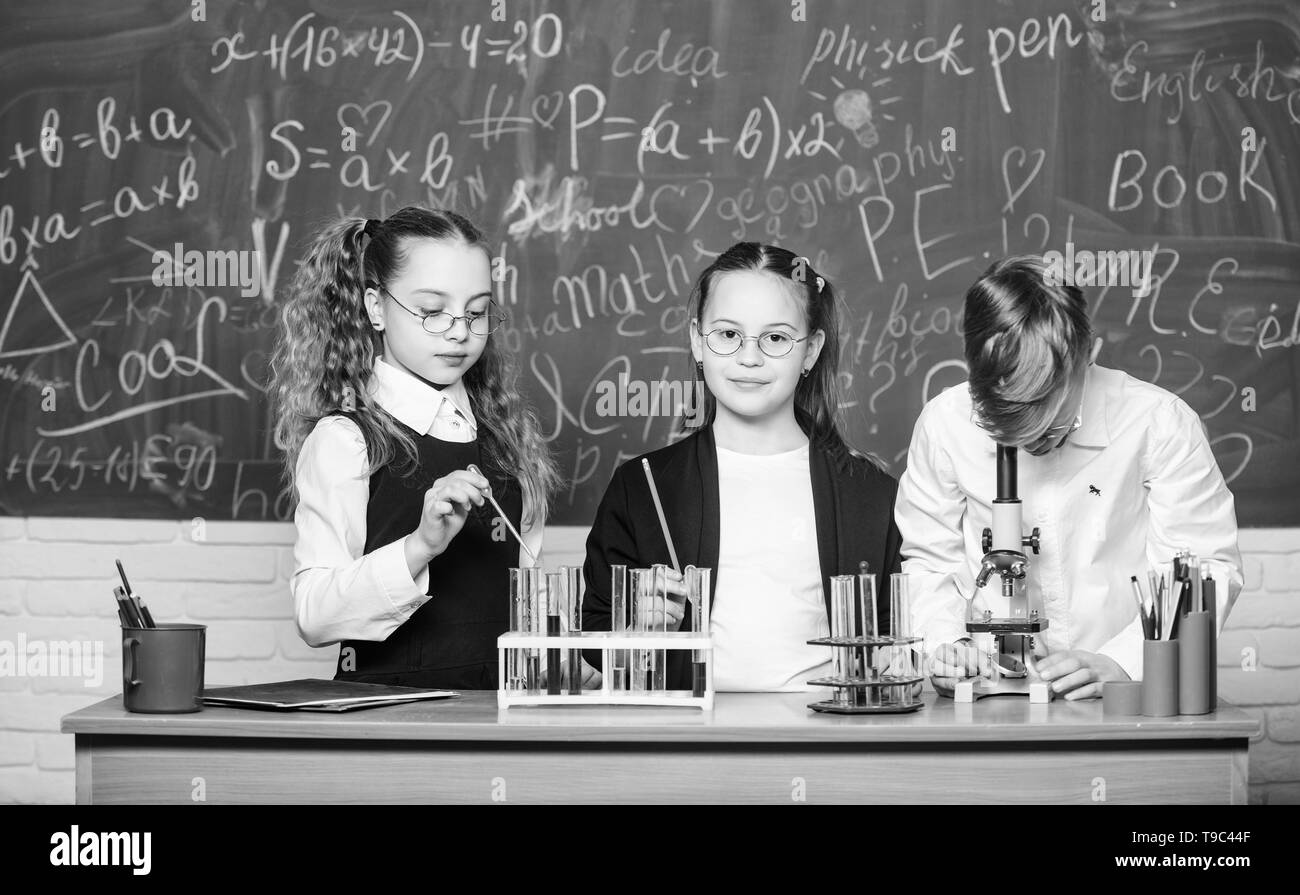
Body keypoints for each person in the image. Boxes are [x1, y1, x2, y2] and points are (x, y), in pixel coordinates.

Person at [896, 255, 1242, 699]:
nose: (1033, 438)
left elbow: (1204, 568)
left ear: (1087, 354)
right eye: (1010, 422)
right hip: (987, 694)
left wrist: (1126, 661)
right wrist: (947, 648)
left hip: (1124, 696)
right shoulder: (946, 423)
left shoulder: (1160, 422)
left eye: (1048, 419)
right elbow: (929, 561)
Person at [581, 242, 902, 691]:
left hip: (828, 741)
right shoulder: (644, 487)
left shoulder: (868, 494)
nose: (749, 358)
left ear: (810, 351)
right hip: (689, 741)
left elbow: (897, 630)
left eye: (775, 338)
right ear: (697, 339)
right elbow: (593, 630)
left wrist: (893, 655)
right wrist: (639, 622)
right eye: (728, 334)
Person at [271, 206, 561, 689]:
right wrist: (419, 547)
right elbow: (313, 616)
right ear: (376, 307)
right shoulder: (347, 441)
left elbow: (527, 605)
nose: (460, 331)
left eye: (476, 311)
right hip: (391, 725)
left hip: (501, 718)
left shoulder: (508, 441)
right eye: (431, 312)